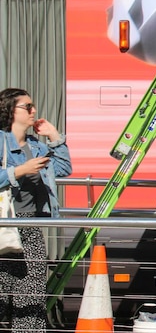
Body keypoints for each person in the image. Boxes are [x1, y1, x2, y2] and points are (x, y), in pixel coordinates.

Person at [0, 88, 72, 332]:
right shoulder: (0, 141)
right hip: (4, 224)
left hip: (29, 227)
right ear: (11, 110)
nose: (34, 111)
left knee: (30, 299)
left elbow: (63, 168)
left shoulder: (35, 146)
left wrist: (54, 136)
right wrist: (19, 171)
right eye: (27, 107)